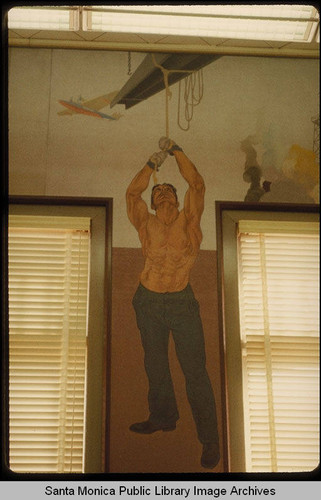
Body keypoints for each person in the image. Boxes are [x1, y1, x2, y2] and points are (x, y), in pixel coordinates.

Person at [126, 137, 220, 469]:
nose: (163, 192)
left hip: (181, 301)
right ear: (152, 203)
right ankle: (163, 416)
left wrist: (176, 150)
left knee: (195, 371)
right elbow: (131, 194)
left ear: (179, 200)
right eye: (158, 192)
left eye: (169, 191)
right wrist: (153, 163)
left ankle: (210, 439)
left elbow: (197, 182)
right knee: (155, 364)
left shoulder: (190, 222)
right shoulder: (144, 223)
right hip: (148, 300)